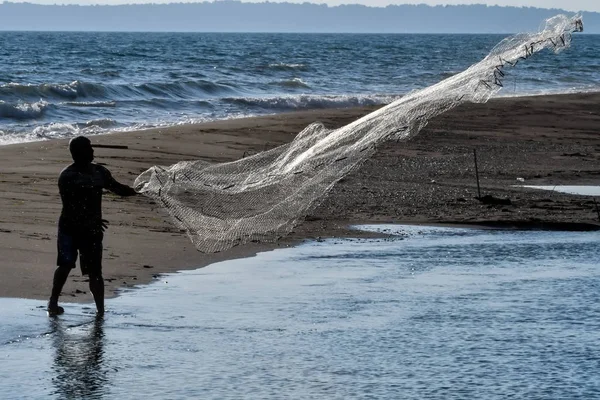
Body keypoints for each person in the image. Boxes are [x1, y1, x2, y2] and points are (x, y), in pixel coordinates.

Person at [48, 136, 137, 316]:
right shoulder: (67, 176)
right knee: (65, 265)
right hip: (70, 228)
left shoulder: (100, 172)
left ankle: (100, 311)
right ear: (77, 153)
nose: (93, 151)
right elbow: (72, 207)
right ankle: (53, 302)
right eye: (89, 148)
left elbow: (117, 189)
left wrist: (138, 189)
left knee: (96, 271)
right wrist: (90, 221)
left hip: (93, 229)